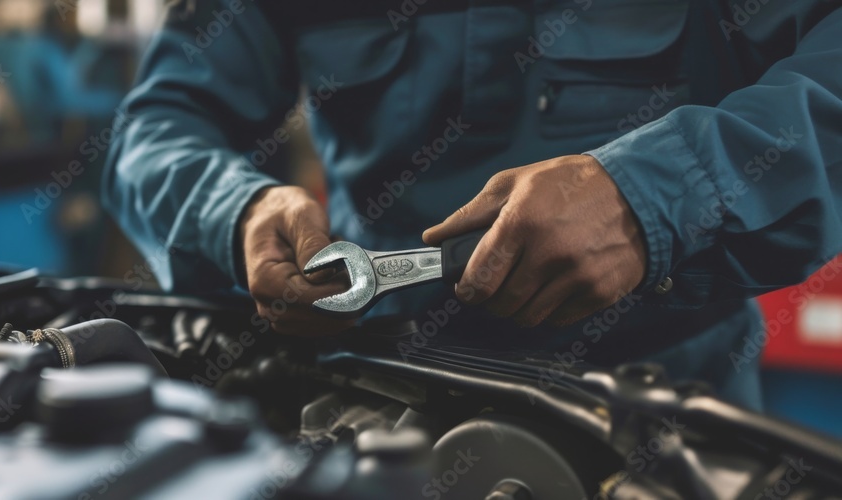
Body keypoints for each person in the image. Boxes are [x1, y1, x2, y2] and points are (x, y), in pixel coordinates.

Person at [102, 0, 842, 410]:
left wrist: (655, 192)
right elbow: (158, 126)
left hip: (667, 396)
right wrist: (235, 211)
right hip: (377, 386)